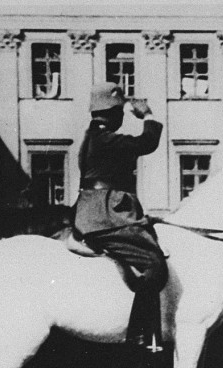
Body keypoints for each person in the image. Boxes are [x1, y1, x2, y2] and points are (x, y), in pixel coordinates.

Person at [73, 82, 166, 353]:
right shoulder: (106, 139)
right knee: (153, 263)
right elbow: (147, 143)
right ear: (113, 113)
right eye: (120, 112)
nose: (123, 118)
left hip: (98, 209)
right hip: (106, 213)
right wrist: (148, 116)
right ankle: (139, 335)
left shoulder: (92, 137)